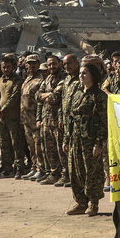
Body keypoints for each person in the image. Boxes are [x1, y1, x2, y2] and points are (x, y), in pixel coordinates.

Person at [65, 63, 108, 216]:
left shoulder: (99, 96)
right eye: (81, 73)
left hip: (90, 139)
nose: (81, 76)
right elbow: (69, 117)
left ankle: (93, 203)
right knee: (75, 170)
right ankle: (81, 202)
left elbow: (104, 122)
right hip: (75, 138)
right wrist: (66, 139)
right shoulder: (77, 93)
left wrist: (99, 143)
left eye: (85, 73)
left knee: (93, 172)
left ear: (93, 76)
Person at [36, 55, 67, 185]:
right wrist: (47, 95)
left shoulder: (64, 77)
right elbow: (37, 95)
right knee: (50, 149)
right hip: (47, 120)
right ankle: (54, 173)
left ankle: (66, 174)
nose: (51, 67)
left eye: (54, 64)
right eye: (49, 65)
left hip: (58, 120)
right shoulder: (47, 78)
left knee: (62, 150)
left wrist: (46, 95)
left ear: (59, 64)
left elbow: (55, 98)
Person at [0, 56, 25, 178]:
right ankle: (7, 168)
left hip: (13, 117)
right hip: (0, 118)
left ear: (13, 67)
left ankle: (19, 168)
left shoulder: (18, 80)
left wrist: (2, 109)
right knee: (4, 143)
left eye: (8, 67)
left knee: (16, 143)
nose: (6, 69)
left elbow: (15, 97)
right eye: (3, 67)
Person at [57, 54, 81, 186]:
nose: (67, 66)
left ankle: (77, 178)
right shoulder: (66, 79)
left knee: (76, 152)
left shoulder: (82, 77)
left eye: (69, 63)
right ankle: (70, 177)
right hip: (66, 121)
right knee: (67, 150)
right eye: (65, 64)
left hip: (77, 121)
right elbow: (63, 100)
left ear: (76, 63)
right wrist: (61, 117)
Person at [20, 54, 44, 180]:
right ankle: (34, 167)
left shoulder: (40, 79)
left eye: (34, 63)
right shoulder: (27, 79)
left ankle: (41, 169)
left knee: (38, 145)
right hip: (26, 118)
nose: (32, 65)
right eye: (29, 63)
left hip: (35, 118)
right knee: (31, 145)